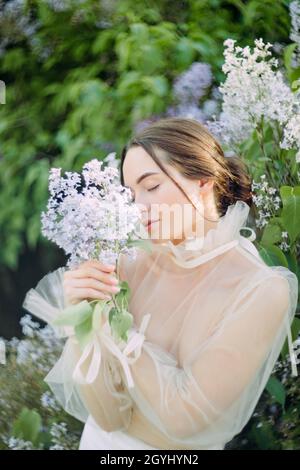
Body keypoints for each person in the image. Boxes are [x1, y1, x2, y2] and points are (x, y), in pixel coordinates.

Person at [22, 118, 298, 450]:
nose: (137, 209)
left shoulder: (260, 290)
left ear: (203, 181)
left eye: (151, 187)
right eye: (130, 194)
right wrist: (84, 321)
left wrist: (118, 331)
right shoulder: (128, 263)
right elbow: (109, 418)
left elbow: (184, 419)